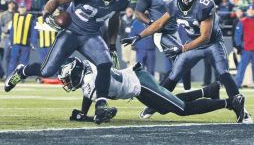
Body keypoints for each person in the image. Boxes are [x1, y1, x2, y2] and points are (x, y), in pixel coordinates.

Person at [4, 0, 130, 124]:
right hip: (71, 31)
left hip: (91, 35)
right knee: (47, 70)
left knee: (105, 63)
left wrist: (112, 45)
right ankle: (23, 71)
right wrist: (47, 14)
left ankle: (101, 105)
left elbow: (114, 18)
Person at [121, 0, 252, 123]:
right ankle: (154, 106)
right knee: (173, 76)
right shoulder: (173, 3)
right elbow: (159, 23)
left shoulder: (204, 4)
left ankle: (242, 110)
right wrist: (139, 36)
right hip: (192, 44)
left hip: (212, 44)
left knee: (224, 73)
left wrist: (182, 48)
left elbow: (205, 37)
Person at [58, 57, 245, 124]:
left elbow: (103, 115)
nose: (67, 82)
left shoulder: (89, 80)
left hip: (140, 84)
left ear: (76, 74)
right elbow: (88, 94)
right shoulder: (88, 68)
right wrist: (83, 113)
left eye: (67, 79)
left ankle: (230, 103)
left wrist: (88, 117)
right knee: (165, 106)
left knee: (182, 109)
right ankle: (209, 90)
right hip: (137, 85)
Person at [134, 0, 191, 90]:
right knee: (182, 59)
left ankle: (183, 91)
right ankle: (163, 93)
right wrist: (150, 23)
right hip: (160, 32)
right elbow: (138, 12)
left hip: (175, 29)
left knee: (184, 61)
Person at [234, 4, 254, 88]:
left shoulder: (242, 21)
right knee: (241, 68)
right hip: (246, 49)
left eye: (252, 10)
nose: (250, 11)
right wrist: (238, 46)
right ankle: (237, 85)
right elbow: (237, 35)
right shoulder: (242, 21)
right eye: (249, 10)